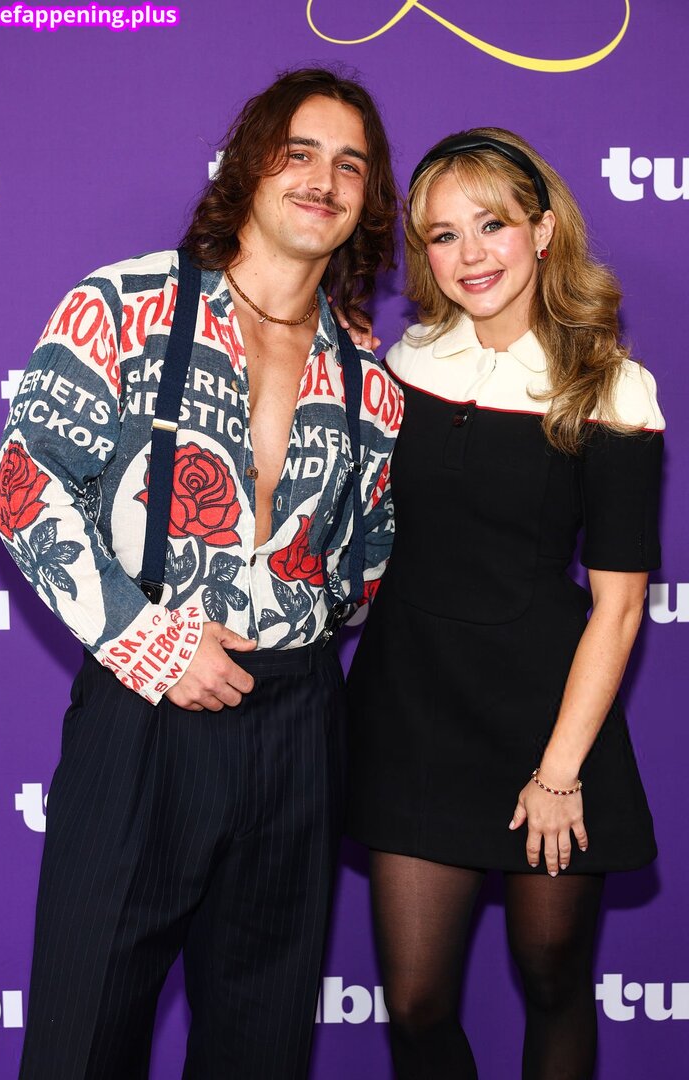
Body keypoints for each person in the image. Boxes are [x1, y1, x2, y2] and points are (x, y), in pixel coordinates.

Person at [0, 67, 401, 1080]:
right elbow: (21, 486)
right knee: (82, 1042)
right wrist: (151, 640)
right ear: (250, 165)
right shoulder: (124, 304)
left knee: (262, 1050)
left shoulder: (370, 381)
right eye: (299, 153)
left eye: (351, 165)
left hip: (297, 731)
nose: (324, 179)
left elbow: (364, 570)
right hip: (144, 718)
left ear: (368, 201)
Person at [346, 128, 663, 1079]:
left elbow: (617, 609)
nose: (470, 254)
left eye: (492, 224)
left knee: (553, 977)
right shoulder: (404, 363)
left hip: (545, 722)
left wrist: (559, 773)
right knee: (415, 1003)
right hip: (412, 711)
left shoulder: (611, 388)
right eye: (443, 235)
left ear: (543, 229)